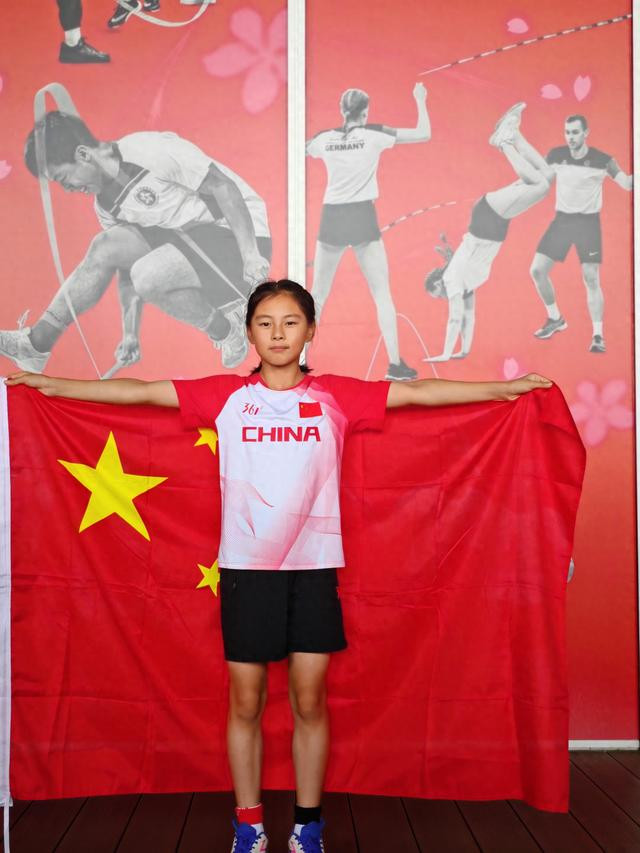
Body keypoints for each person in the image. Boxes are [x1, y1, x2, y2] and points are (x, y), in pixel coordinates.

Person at [6, 279, 553, 853]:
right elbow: (140, 392)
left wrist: (506, 389)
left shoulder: (336, 396)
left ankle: (307, 825)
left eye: (291, 322)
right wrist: (50, 384)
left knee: (309, 701)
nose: (278, 334)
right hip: (246, 573)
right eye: (265, 323)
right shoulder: (226, 397)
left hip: (313, 572)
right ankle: (249, 826)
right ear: (249, 333)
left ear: (310, 330)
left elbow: (417, 393)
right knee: (246, 703)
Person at [0, 111, 271, 375]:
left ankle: (230, 313)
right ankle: (35, 344)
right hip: (189, 243)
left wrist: (250, 255)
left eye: (64, 178)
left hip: (239, 233)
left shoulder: (148, 150)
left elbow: (223, 186)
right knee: (106, 247)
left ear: (83, 154)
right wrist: (129, 332)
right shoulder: (105, 206)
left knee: (148, 276)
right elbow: (128, 268)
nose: (68, 189)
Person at [306, 83, 432, 381]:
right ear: (365, 112)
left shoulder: (324, 139)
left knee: (318, 295)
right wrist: (420, 99)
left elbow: (303, 147)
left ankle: (296, 361)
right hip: (362, 215)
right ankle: (395, 365)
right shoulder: (375, 134)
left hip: (332, 216)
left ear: (342, 111)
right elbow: (423, 133)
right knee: (381, 293)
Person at [424, 103, 553, 362]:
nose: (440, 299)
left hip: (487, 220)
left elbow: (455, 318)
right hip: (492, 222)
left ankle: (503, 142)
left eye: (436, 295)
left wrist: (445, 354)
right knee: (546, 176)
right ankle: (513, 134)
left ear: (438, 284)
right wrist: (463, 351)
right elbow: (469, 317)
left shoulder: (451, 280)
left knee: (540, 187)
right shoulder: (466, 285)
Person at [529, 114, 633, 353]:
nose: (570, 137)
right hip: (562, 221)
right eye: (567, 132)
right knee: (537, 270)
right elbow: (538, 179)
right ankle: (555, 319)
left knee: (591, 278)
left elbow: (627, 184)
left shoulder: (603, 160)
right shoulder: (556, 155)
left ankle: (598, 335)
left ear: (586, 133)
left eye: (575, 132)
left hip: (588, 224)